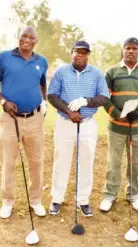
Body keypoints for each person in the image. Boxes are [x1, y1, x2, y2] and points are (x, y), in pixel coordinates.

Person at [0, 26, 48, 218]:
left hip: (35, 119)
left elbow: (43, 82)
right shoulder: (4, 57)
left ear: (36, 41)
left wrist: (44, 101)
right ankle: (8, 201)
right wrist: (3, 101)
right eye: (23, 36)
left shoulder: (41, 61)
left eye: (31, 38)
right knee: (9, 162)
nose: (27, 40)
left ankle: (36, 200)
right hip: (10, 119)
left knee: (36, 162)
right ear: (18, 37)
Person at [48, 41, 110, 217]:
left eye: (84, 53)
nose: (80, 55)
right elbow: (52, 95)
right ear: (71, 53)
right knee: (61, 161)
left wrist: (86, 101)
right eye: (77, 52)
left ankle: (83, 200)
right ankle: (57, 198)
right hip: (65, 123)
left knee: (86, 162)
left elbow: (104, 97)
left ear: (88, 55)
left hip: (88, 124)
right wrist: (69, 111)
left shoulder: (96, 73)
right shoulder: (61, 71)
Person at [100, 37, 138, 212]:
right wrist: (117, 114)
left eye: (134, 48)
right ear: (123, 50)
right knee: (114, 161)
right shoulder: (112, 72)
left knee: (134, 162)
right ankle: (110, 194)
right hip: (116, 127)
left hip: (137, 127)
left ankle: (133, 195)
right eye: (128, 48)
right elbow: (104, 98)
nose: (131, 51)